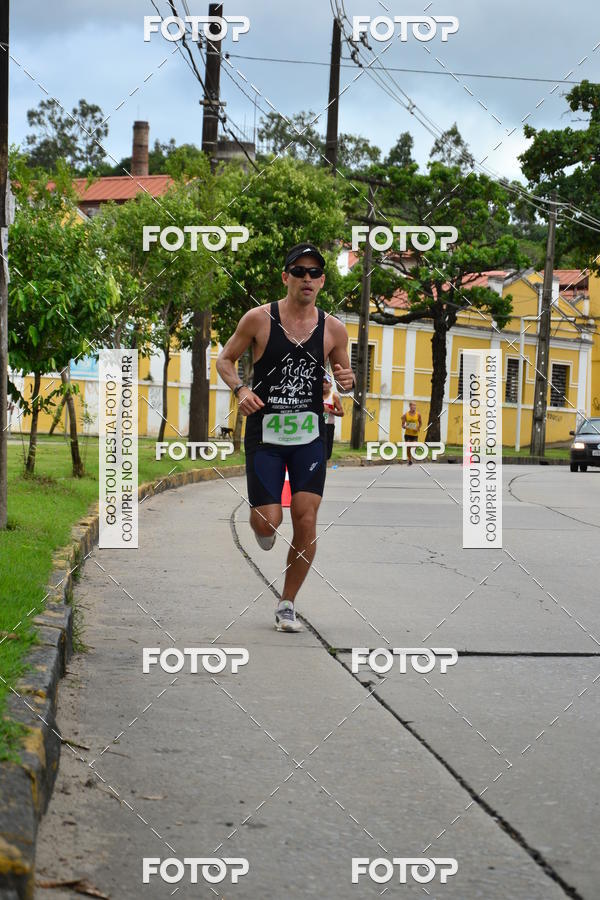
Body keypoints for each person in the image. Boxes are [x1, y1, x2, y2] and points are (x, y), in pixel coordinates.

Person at [216, 243, 354, 632]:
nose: (307, 278)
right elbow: (224, 360)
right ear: (286, 277)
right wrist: (242, 390)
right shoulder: (258, 320)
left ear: (323, 280)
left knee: (306, 518)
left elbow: (336, 377)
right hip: (266, 432)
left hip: (310, 434)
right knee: (267, 521)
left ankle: (287, 603)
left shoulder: (334, 328)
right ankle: (264, 526)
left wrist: (342, 386)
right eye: (299, 271)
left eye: (314, 272)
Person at [323, 371, 344, 460]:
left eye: (326, 382)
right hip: (316, 424)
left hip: (329, 426)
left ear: (330, 385)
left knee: (327, 450)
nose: (324, 384)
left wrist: (330, 410)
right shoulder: (315, 396)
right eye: (322, 382)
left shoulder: (334, 396)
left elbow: (342, 413)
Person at [401, 401, 422, 466]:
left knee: (414, 446)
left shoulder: (418, 414)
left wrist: (418, 428)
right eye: (413, 405)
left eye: (415, 405)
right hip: (408, 434)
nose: (414, 407)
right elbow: (402, 425)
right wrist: (405, 426)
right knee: (408, 447)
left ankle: (414, 453)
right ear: (410, 406)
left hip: (415, 434)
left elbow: (420, 423)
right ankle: (410, 460)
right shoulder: (405, 415)